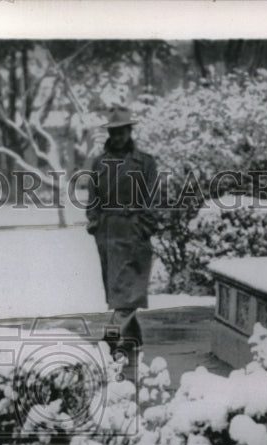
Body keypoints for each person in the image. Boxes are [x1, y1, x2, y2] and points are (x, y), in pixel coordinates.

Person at [85, 105, 160, 376]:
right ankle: (133, 338)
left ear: (130, 132)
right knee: (120, 292)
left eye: (122, 131)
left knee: (129, 292)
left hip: (135, 233)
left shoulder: (146, 162)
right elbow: (92, 200)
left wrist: (144, 226)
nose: (117, 137)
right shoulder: (99, 163)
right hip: (109, 235)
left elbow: (153, 198)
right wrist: (95, 224)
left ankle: (112, 336)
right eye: (114, 132)